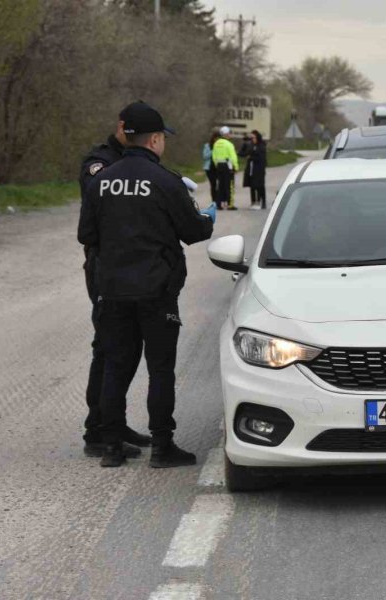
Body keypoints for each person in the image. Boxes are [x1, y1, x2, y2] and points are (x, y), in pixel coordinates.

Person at [78, 101, 216, 468]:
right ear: (155, 139)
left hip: (111, 291)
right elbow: (193, 230)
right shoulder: (165, 181)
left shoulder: (101, 180)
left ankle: (111, 447)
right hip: (156, 291)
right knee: (160, 369)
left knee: (115, 367)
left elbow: (85, 234)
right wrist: (207, 216)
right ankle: (162, 447)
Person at [78, 103, 149, 458]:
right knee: (109, 347)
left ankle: (114, 421)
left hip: (129, 267)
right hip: (105, 267)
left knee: (127, 348)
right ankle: (98, 431)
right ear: (122, 127)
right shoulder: (100, 161)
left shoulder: (135, 161)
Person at [212, 125, 238, 210]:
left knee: (220, 185)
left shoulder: (216, 143)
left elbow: (214, 156)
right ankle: (230, 204)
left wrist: (217, 165)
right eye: (229, 133)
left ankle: (219, 204)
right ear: (226, 134)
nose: (230, 135)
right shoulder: (229, 144)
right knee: (229, 185)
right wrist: (236, 167)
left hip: (219, 166)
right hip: (228, 166)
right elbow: (233, 157)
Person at [240, 130, 268, 210]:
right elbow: (242, 153)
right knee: (252, 185)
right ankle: (253, 201)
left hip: (259, 168)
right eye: (251, 138)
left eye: (253, 137)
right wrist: (244, 144)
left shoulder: (261, 146)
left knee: (260, 185)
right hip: (251, 168)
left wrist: (251, 157)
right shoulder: (251, 145)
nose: (252, 139)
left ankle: (262, 202)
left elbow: (261, 158)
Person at [202, 131, 218, 200]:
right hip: (209, 168)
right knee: (213, 184)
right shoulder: (207, 145)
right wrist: (213, 150)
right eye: (216, 138)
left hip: (218, 167)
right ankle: (214, 200)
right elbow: (205, 156)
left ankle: (219, 200)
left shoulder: (220, 146)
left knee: (219, 185)